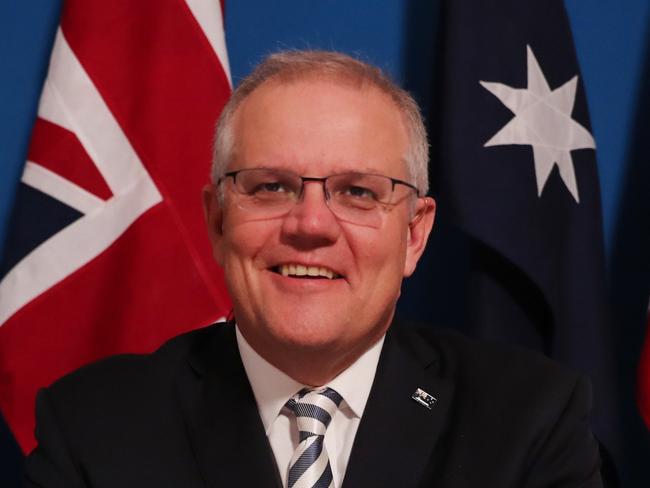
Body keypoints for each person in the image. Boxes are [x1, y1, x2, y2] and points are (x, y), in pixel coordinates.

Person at [24, 50, 603, 487]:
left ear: (414, 233)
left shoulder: (530, 420)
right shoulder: (91, 427)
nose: (311, 224)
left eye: (356, 192)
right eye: (271, 187)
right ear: (218, 221)